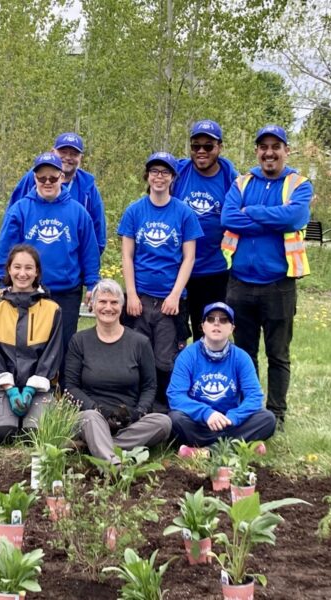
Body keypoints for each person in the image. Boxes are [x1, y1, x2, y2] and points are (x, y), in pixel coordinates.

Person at [221, 125, 313, 428]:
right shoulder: (242, 182)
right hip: (240, 284)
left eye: (276, 146)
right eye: (264, 147)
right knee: (244, 354)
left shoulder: (299, 184)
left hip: (279, 285)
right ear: (257, 151)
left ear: (286, 150)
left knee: (278, 354)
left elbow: (295, 218)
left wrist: (253, 212)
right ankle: (248, 410)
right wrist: (274, 218)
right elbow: (228, 217)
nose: (269, 152)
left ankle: (276, 414)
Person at [0, 152, 100, 378]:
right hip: (29, 291)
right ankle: (27, 384)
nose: (47, 183)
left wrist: (92, 283)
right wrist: (2, 280)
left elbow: (89, 251)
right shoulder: (21, 209)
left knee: (63, 343)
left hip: (67, 290)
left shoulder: (77, 211)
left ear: (61, 177)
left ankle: (62, 390)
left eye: (52, 178)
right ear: (34, 178)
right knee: (29, 341)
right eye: (42, 178)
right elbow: (6, 247)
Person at [118, 152, 203, 412]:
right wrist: (131, 295)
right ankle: (137, 406)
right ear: (147, 175)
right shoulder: (134, 211)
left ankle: (165, 409)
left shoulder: (184, 213)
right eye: (154, 171)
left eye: (165, 172)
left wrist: (176, 295)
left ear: (173, 177)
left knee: (166, 359)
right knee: (137, 355)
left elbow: (188, 258)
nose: (159, 177)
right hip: (141, 298)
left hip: (170, 299)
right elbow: (127, 255)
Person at [65, 280, 172, 464]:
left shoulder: (139, 342)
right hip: (93, 415)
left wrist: (138, 412)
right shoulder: (79, 341)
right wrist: (97, 409)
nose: (108, 307)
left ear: (121, 306)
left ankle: (96, 445)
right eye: (102, 302)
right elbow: (71, 387)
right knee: (90, 420)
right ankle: (112, 463)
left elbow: (149, 386)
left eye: (114, 302)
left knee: (163, 423)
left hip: (128, 421)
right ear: (92, 305)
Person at [167, 302, 276, 449]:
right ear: (203, 326)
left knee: (267, 419)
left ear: (232, 328)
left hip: (229, 422)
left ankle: (206, 450)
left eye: (224, 320)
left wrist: (233, 417)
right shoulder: (187, 356)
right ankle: (239, 444)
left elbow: (255, 396)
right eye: (211, 319)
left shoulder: (241, 357)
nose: (216, 323)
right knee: (175, 419)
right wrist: (206, 413)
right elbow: (175, 396)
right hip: (199, 421)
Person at [0, 244, 62, 446]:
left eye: (29, 268)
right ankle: (3, 411)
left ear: (37, 272)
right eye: (17, 267)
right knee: (1, 435)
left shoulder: (53, 310)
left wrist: (30, 390)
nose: (22, 273)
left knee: (34, 436)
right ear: (9, 270)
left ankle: (36, 409)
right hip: (5, 387)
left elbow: (51, 355)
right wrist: (10, 389)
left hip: (39, 388)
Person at [172, 120, 239, 341]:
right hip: (178, 269)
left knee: (212, 334)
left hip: (215, 270)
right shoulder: (179, 172)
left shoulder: (231, 178)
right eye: (196, 146)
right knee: (176, 334)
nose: (201, 151)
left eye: (208, 146)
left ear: (219, 147)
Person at [8, 132, 107, 255]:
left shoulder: (88, 187)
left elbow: (98, 233)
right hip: (29, 267)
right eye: (63, 152)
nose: (68, 157)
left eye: (74, 154)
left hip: (72, 268)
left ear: (81, 157)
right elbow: (11, 222)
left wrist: (85, 268)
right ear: (53, 151)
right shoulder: (32, 179)